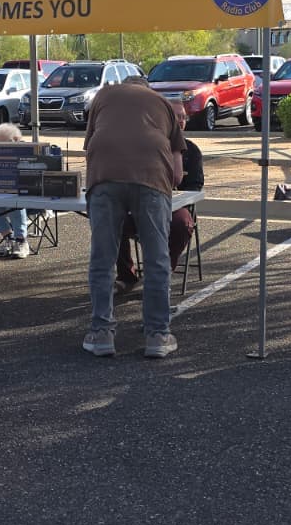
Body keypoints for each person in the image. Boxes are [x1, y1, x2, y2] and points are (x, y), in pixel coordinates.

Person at [82, 75, 185, 359]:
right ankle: (158, 335)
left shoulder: (103, 96)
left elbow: (90, 146)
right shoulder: (163, 103)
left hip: (104, 175)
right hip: (151, 177)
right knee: (156, 260)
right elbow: (176, 173)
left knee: (102, 258)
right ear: (146, 89)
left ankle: (101, 334)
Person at [115, 138, 203, 292]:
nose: (181, 121)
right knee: (113, 220)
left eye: (183, 117)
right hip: (142, 204)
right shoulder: (144, 146)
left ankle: (161, 273)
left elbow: (195, 185)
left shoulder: (191, 150)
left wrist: (177, 195)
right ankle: (126, 276)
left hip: (176, 206)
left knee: (181, 224)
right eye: (177, 117)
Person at [0, 122, 50, 259]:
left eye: (3, 144)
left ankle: (21, 240)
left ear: (15, 140)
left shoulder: (30, 151)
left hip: (32, 199)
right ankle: (8, 237)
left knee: (14, 201)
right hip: (2, 196)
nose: (0, 148)